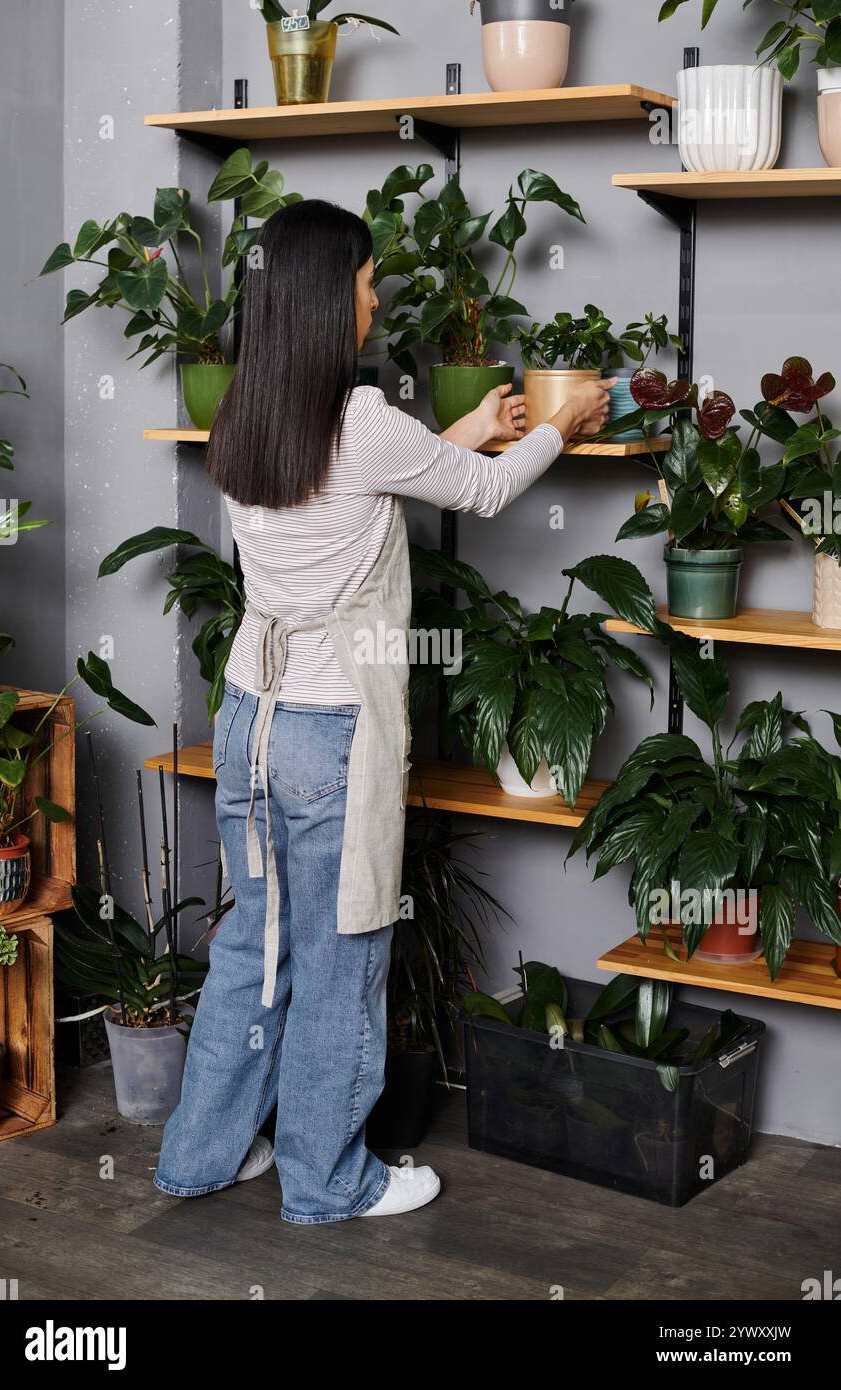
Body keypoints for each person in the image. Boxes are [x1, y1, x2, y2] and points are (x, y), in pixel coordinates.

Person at [152, 199, 614, 1224]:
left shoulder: (245, 413)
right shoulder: (356, 420)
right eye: (364, 281)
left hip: (247, 721)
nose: (373, 297)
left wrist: (469, 432)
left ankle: (199, 1155)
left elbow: (361, 490)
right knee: (344, 954)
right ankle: (329, 1181)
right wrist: (555, 427)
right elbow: (485, 496)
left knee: (251, 947)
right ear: (327, 298)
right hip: (331, 739)